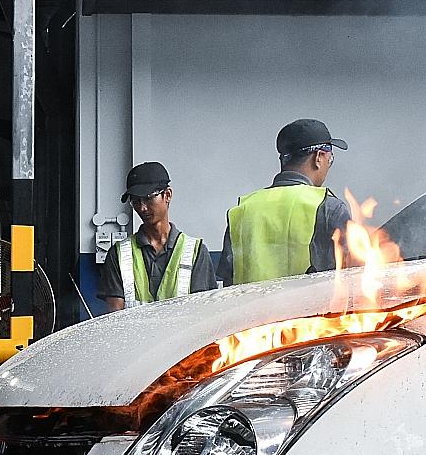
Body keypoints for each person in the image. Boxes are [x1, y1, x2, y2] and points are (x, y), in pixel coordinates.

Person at [217, 119, 354, 285]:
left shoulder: (242, 210)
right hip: (308, 311)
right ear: (318, 157)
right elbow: (349, 279)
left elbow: (228, 284)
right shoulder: (328, 208)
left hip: (249, 311)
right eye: (329, 159)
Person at [97, 161, 214, 311]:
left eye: (148, 198)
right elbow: (115, 315)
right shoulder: (119, 254)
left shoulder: (195, 252)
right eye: (136, 201)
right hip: (134, 335)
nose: (142, 208)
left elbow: (202, 312)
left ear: (167, 195)